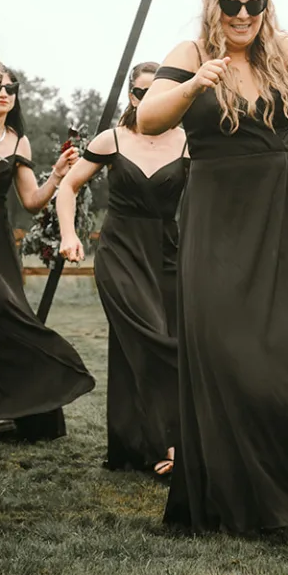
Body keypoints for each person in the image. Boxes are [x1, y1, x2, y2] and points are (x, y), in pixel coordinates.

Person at [138, 0, 288, 534]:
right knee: (220, 345)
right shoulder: (190, 53)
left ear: (266, 6)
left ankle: (286, 487)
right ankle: (223, 487)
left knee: (275, 352)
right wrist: (194, 86)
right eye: (230, 5)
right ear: (214, 5)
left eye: (253, 5)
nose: (242, 15)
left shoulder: (285, 50)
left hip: (277, 211)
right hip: (215, 210)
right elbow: (147, 120)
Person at [58, 62, 186, 474]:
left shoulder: (188, 142)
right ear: (131, 95)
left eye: (156, 93)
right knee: (152, 339)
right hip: (120, 252)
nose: (146, 100)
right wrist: (69, 235)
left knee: (153, 341)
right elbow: (69, 186)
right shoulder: (112, 139)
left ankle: (132, 447)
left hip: (169, 254)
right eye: (139, 92)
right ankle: (169, 445)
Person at [0, 64, 95, 441]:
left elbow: (31, 201)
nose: (4, 93)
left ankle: (15, 411)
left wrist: (56, 175)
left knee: (5, 316)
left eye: (11, 87)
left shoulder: (17, 140)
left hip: (1, 243)